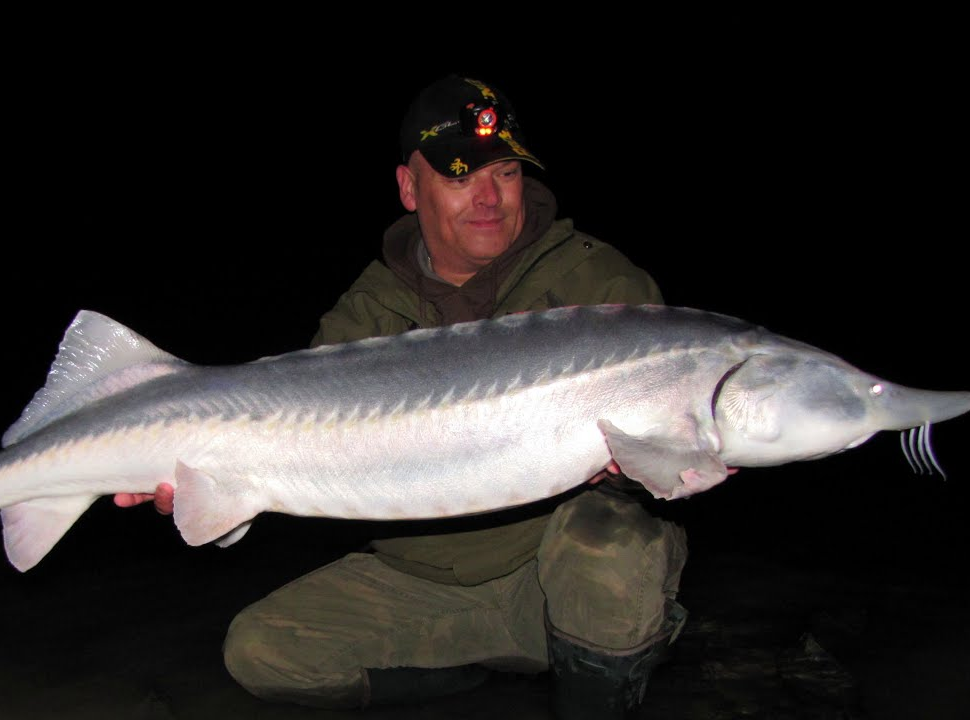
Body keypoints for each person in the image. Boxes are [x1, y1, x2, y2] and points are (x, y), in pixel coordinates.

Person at [116, 74, 688, 718]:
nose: (489, 197)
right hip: (426, 582)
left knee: (610, 547)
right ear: (409, 188)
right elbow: (291, 460)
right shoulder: (364, 317)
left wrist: (641, 469)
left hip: (551, 573)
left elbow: (667, 459)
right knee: (262, 651)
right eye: (459, 174)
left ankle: (595, 676)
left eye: (504, 172)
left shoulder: (597, 285)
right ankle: (465, 676)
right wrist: (198, 477)